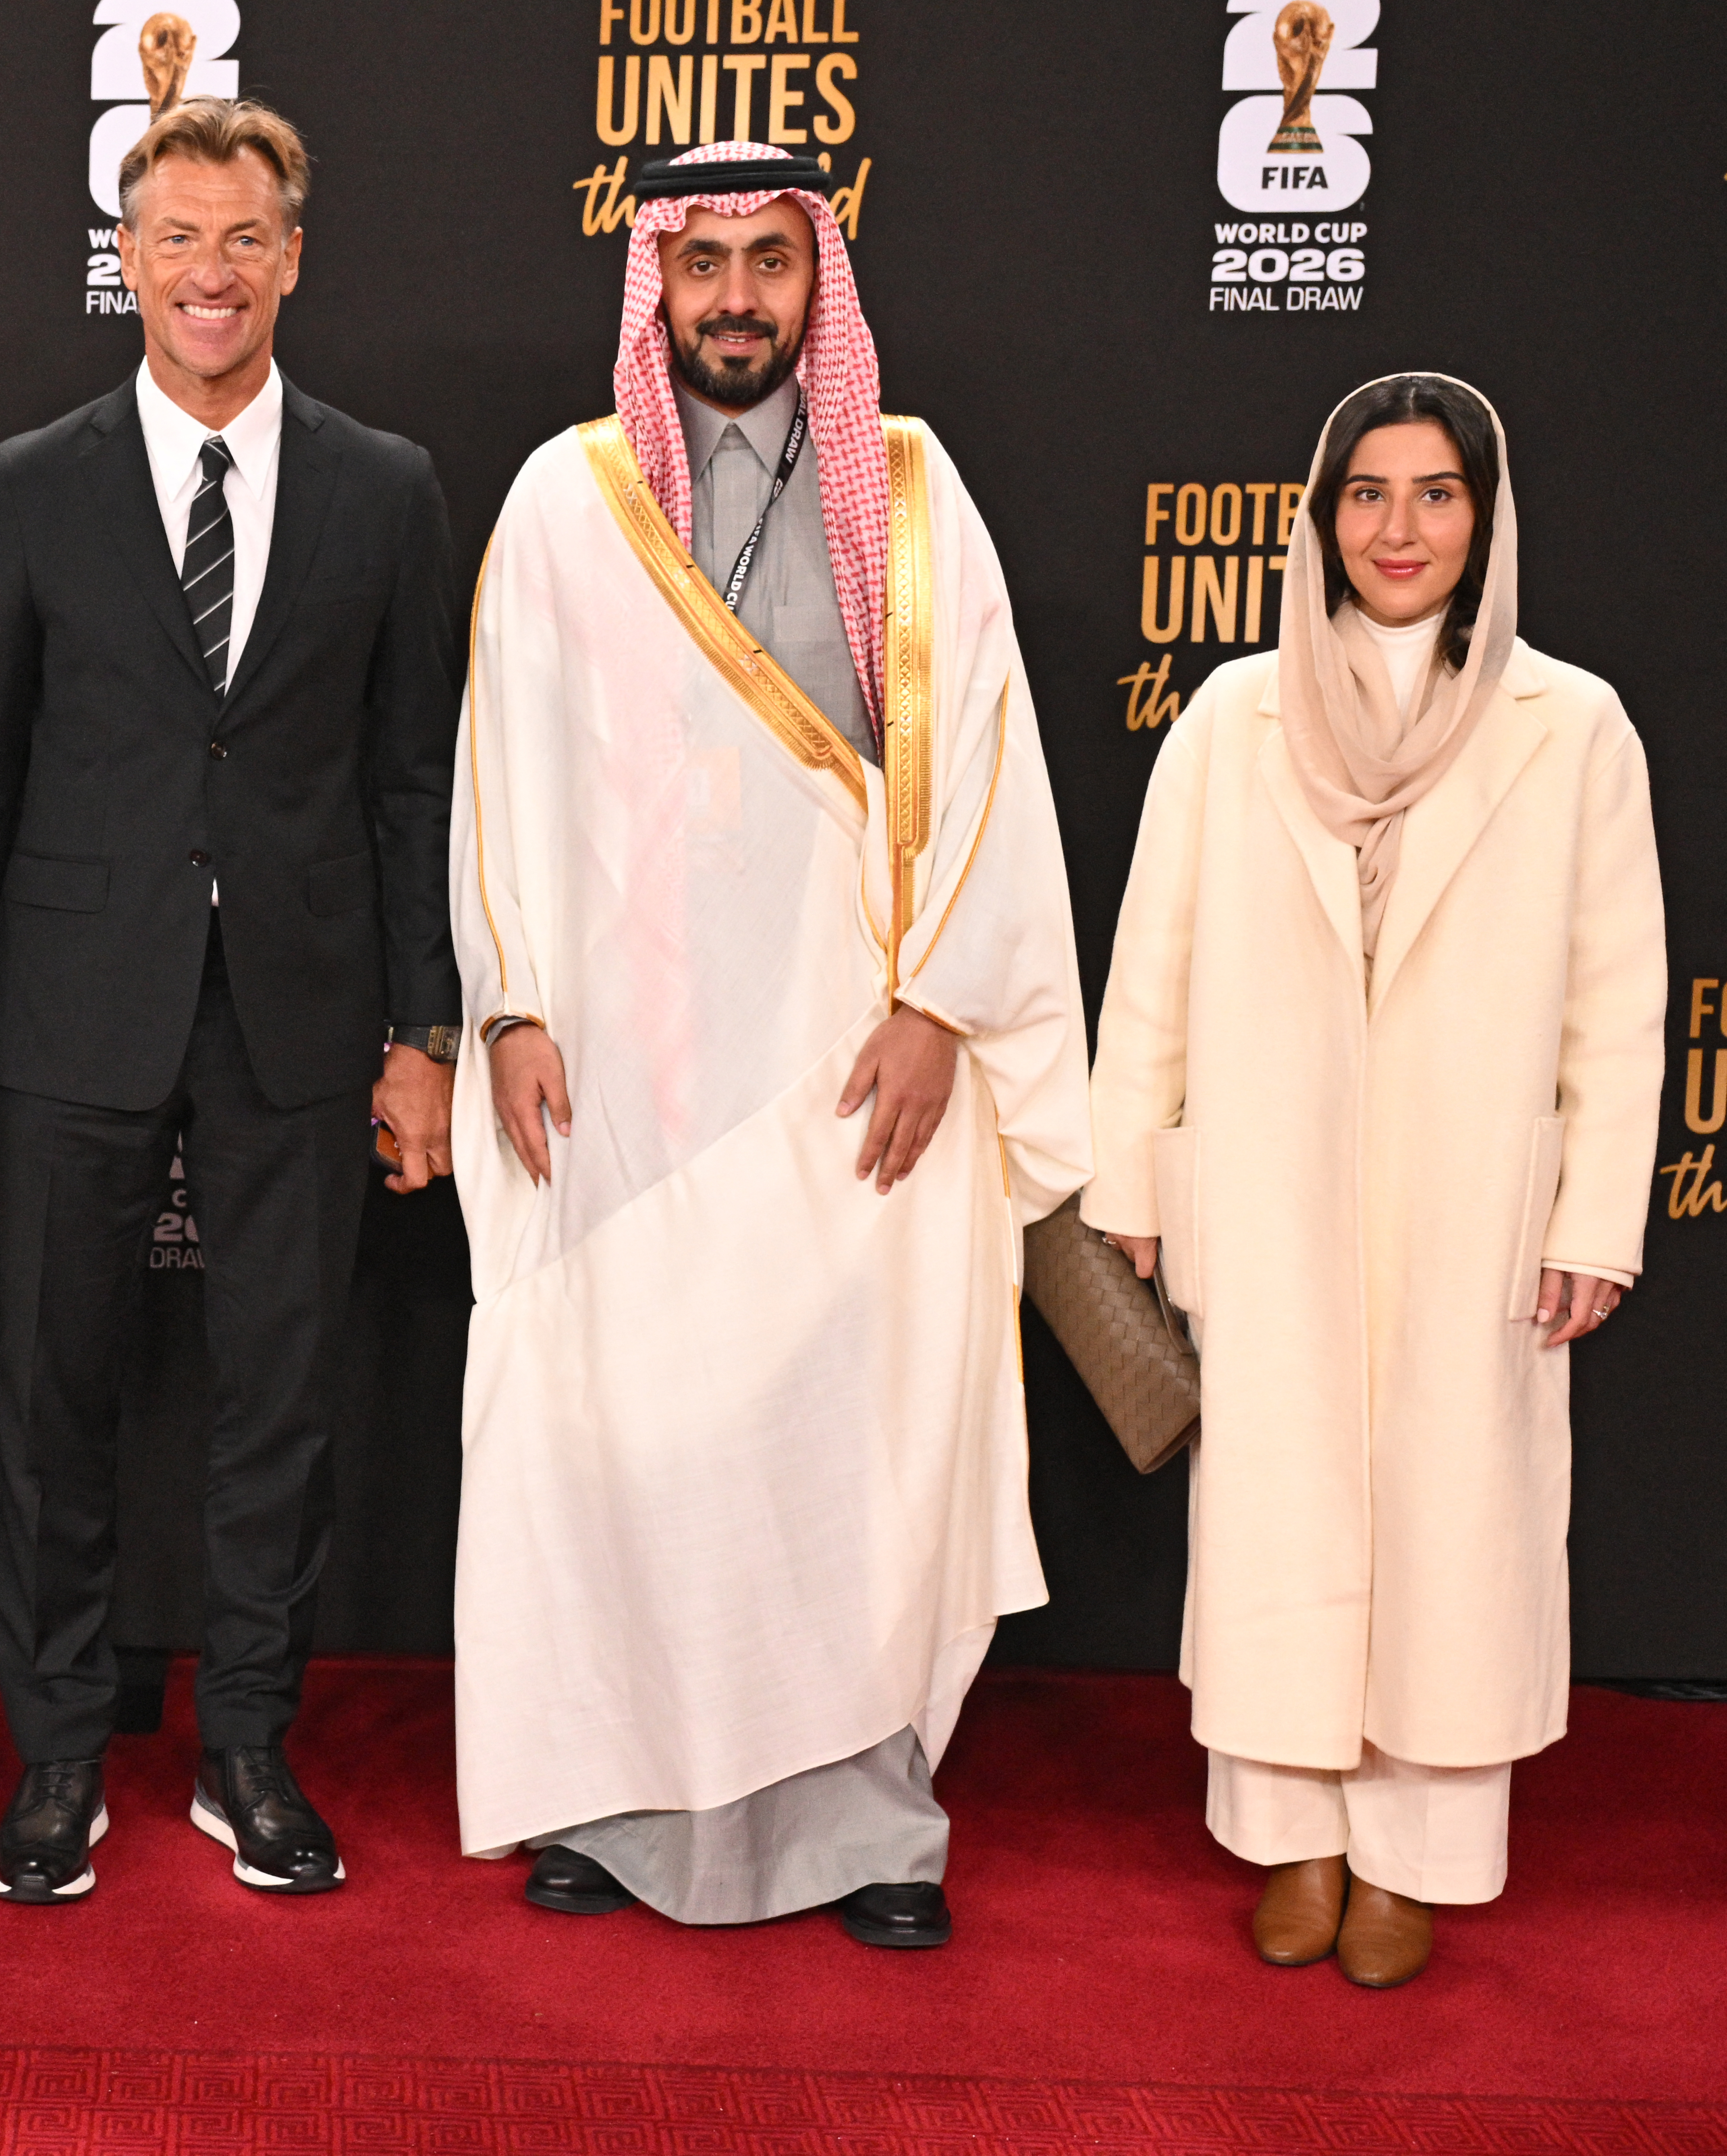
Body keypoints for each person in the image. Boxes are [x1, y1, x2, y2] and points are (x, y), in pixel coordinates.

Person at [449, 142, 1088, 1948]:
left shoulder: (914, 489)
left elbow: (984, 759)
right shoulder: (567, 503)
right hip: (632, 1084)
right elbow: (501, 773)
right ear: (654, 286)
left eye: (769, 263)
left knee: (847, 1449)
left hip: (846, 1078)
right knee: (628, 1438)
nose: (735, 296)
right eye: (703, 263)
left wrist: (943, 999)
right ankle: (613, 1797)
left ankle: (872, 1826)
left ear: (820, 287)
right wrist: (506, 999)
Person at [1082, 374, 1662, 1988]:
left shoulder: (1573, 725)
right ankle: (1299, 1839)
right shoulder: (1229, 716)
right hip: (1272, 1177)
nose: (1400, 530)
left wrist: (1595, 1215)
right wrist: (1131, 1166)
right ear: (1321, 517)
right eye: (1369, 495)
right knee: (1279, 1503)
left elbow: (1619, 1001)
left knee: (1453, 1511)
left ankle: (1417, 1852)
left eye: (1437, 495)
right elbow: (1155, 962)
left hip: (1478, 1190)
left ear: (1485, 521)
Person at [0, 98, 461, 1904]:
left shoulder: (387, 487)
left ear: (293, 257)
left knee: (282, 1400)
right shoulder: (28, 485)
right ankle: (60, 1757)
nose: (211, 273)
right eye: (177, 236)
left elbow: (412, 782)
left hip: (305, 1015)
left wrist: (423, 1027)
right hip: (74, 1003)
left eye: (244, 239)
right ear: (129, 258)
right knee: (50, 1390)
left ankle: (248, 1741)